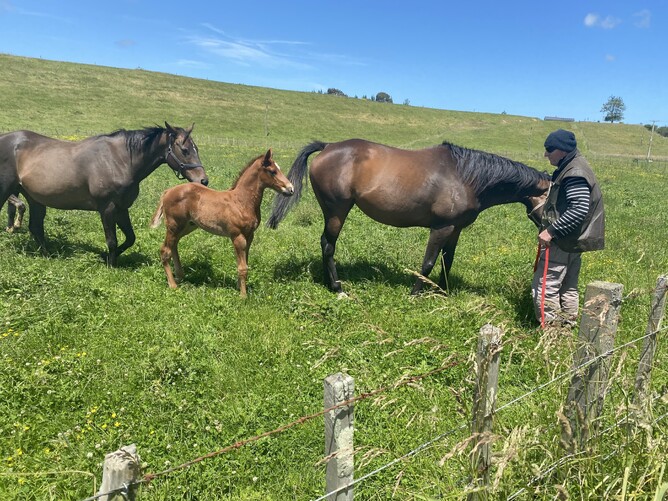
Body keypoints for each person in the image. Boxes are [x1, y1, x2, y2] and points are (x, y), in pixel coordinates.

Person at [532, 129, 605, 326]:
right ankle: (567, 328)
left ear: (562, 151)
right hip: (573, 240)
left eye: (549, 149)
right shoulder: (574, 166)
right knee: (568, 286)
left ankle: (552, 335)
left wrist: (551, 231)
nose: (546, 154)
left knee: (545, 287)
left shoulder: (574, 173)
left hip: (562, 241)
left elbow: (579, 208)